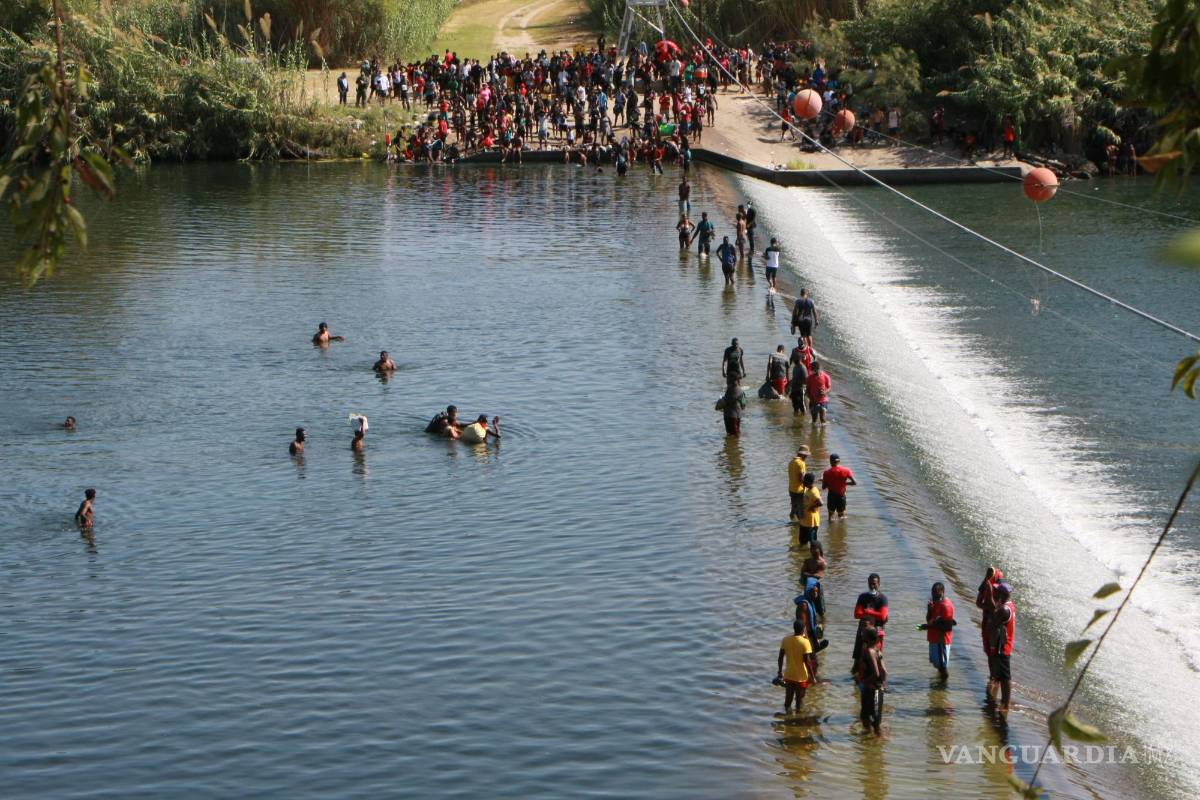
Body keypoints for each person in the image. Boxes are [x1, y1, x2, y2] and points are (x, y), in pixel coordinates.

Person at [985, 580, 1016, 712]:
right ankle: (1004, 702)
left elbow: (991, 624)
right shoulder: (1010, 605)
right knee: (1003, 676)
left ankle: (1006, 704)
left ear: (1001, 593)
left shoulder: (1003, 609)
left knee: (1005, 677)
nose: (995, 592)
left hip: (1002, 646)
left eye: (997, 591)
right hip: (1004, 644)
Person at [775, 619, 816, 712]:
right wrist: (813, 677)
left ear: (794, 628)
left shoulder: (786, 640)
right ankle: (797, 721)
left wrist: (780, 672)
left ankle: (786, 718)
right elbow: (807, 661)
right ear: (803, 629)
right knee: (799, 702)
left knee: (787, 702)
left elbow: (780, 657)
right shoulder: (805, 642)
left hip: (789, 675)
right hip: (801, 677)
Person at [919, 581, 957, 679]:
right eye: (933, 594)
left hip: (941, 640)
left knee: (942, 666)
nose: (934, 596)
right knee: (937, 664)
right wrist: (929, 610)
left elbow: (948, 627)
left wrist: (928, 627)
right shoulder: (935, 602)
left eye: (936, 594)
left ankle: (942, 688)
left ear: (943, 592)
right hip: (934, 638)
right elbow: (929, 619)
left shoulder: (946, 606)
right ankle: (941, 682)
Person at [855, 626, 887, 734]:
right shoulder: (877, 650)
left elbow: (877, 673)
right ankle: (869, 746)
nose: (861, 633)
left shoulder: (870, 651)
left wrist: (864, 683)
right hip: (872, 689)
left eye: (863, 633)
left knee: (875, 724)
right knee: (865, 718)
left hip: (873, 690)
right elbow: (885, 672)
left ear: (868, 637)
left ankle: (878, 745)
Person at [852, 573, 889, 665]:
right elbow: (856, 614)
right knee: (859, 656)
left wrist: (868, 612)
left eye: (874, 584)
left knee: (877, 655)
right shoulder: (863, 597)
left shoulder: (882, 598)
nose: (872, 586)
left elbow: (883, 616)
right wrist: (875, 614)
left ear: (879, 584)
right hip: (863, 629)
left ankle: (878, 676)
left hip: (877, 630)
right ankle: (857, 675)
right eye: (870, 584)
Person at [821, 453, 857, 519]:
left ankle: (831, 529)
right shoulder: (846, 470)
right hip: (841, 496)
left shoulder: (826, 472)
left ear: (830, 461)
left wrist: (824, 480)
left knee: (831, 516)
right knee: (841, 516)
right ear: (839, 461)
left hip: (831, 496)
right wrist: (844, 483)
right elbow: (854, 482)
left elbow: (823, 487)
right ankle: (842, 528)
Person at [797, 473, 822, 544]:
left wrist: (811, 507)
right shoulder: (808, 490)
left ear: (809, 482)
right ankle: (803, 553)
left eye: (804, 481)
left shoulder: (813, 491)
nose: (803, 482)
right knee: (802, 541)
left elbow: (820, 503)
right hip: (804, 521)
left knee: (813, 543)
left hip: (812, 522)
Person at [787, 445, 810, 521]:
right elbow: (801, 479)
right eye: (806, 455)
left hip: (791, 488)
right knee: (801, 509)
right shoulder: (801, 463)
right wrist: (810, 485)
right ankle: (800, 525)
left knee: (794, 506)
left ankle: (793, 522)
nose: (806, 457)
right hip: (799, 490)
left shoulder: (791, 462)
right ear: (803, 454)